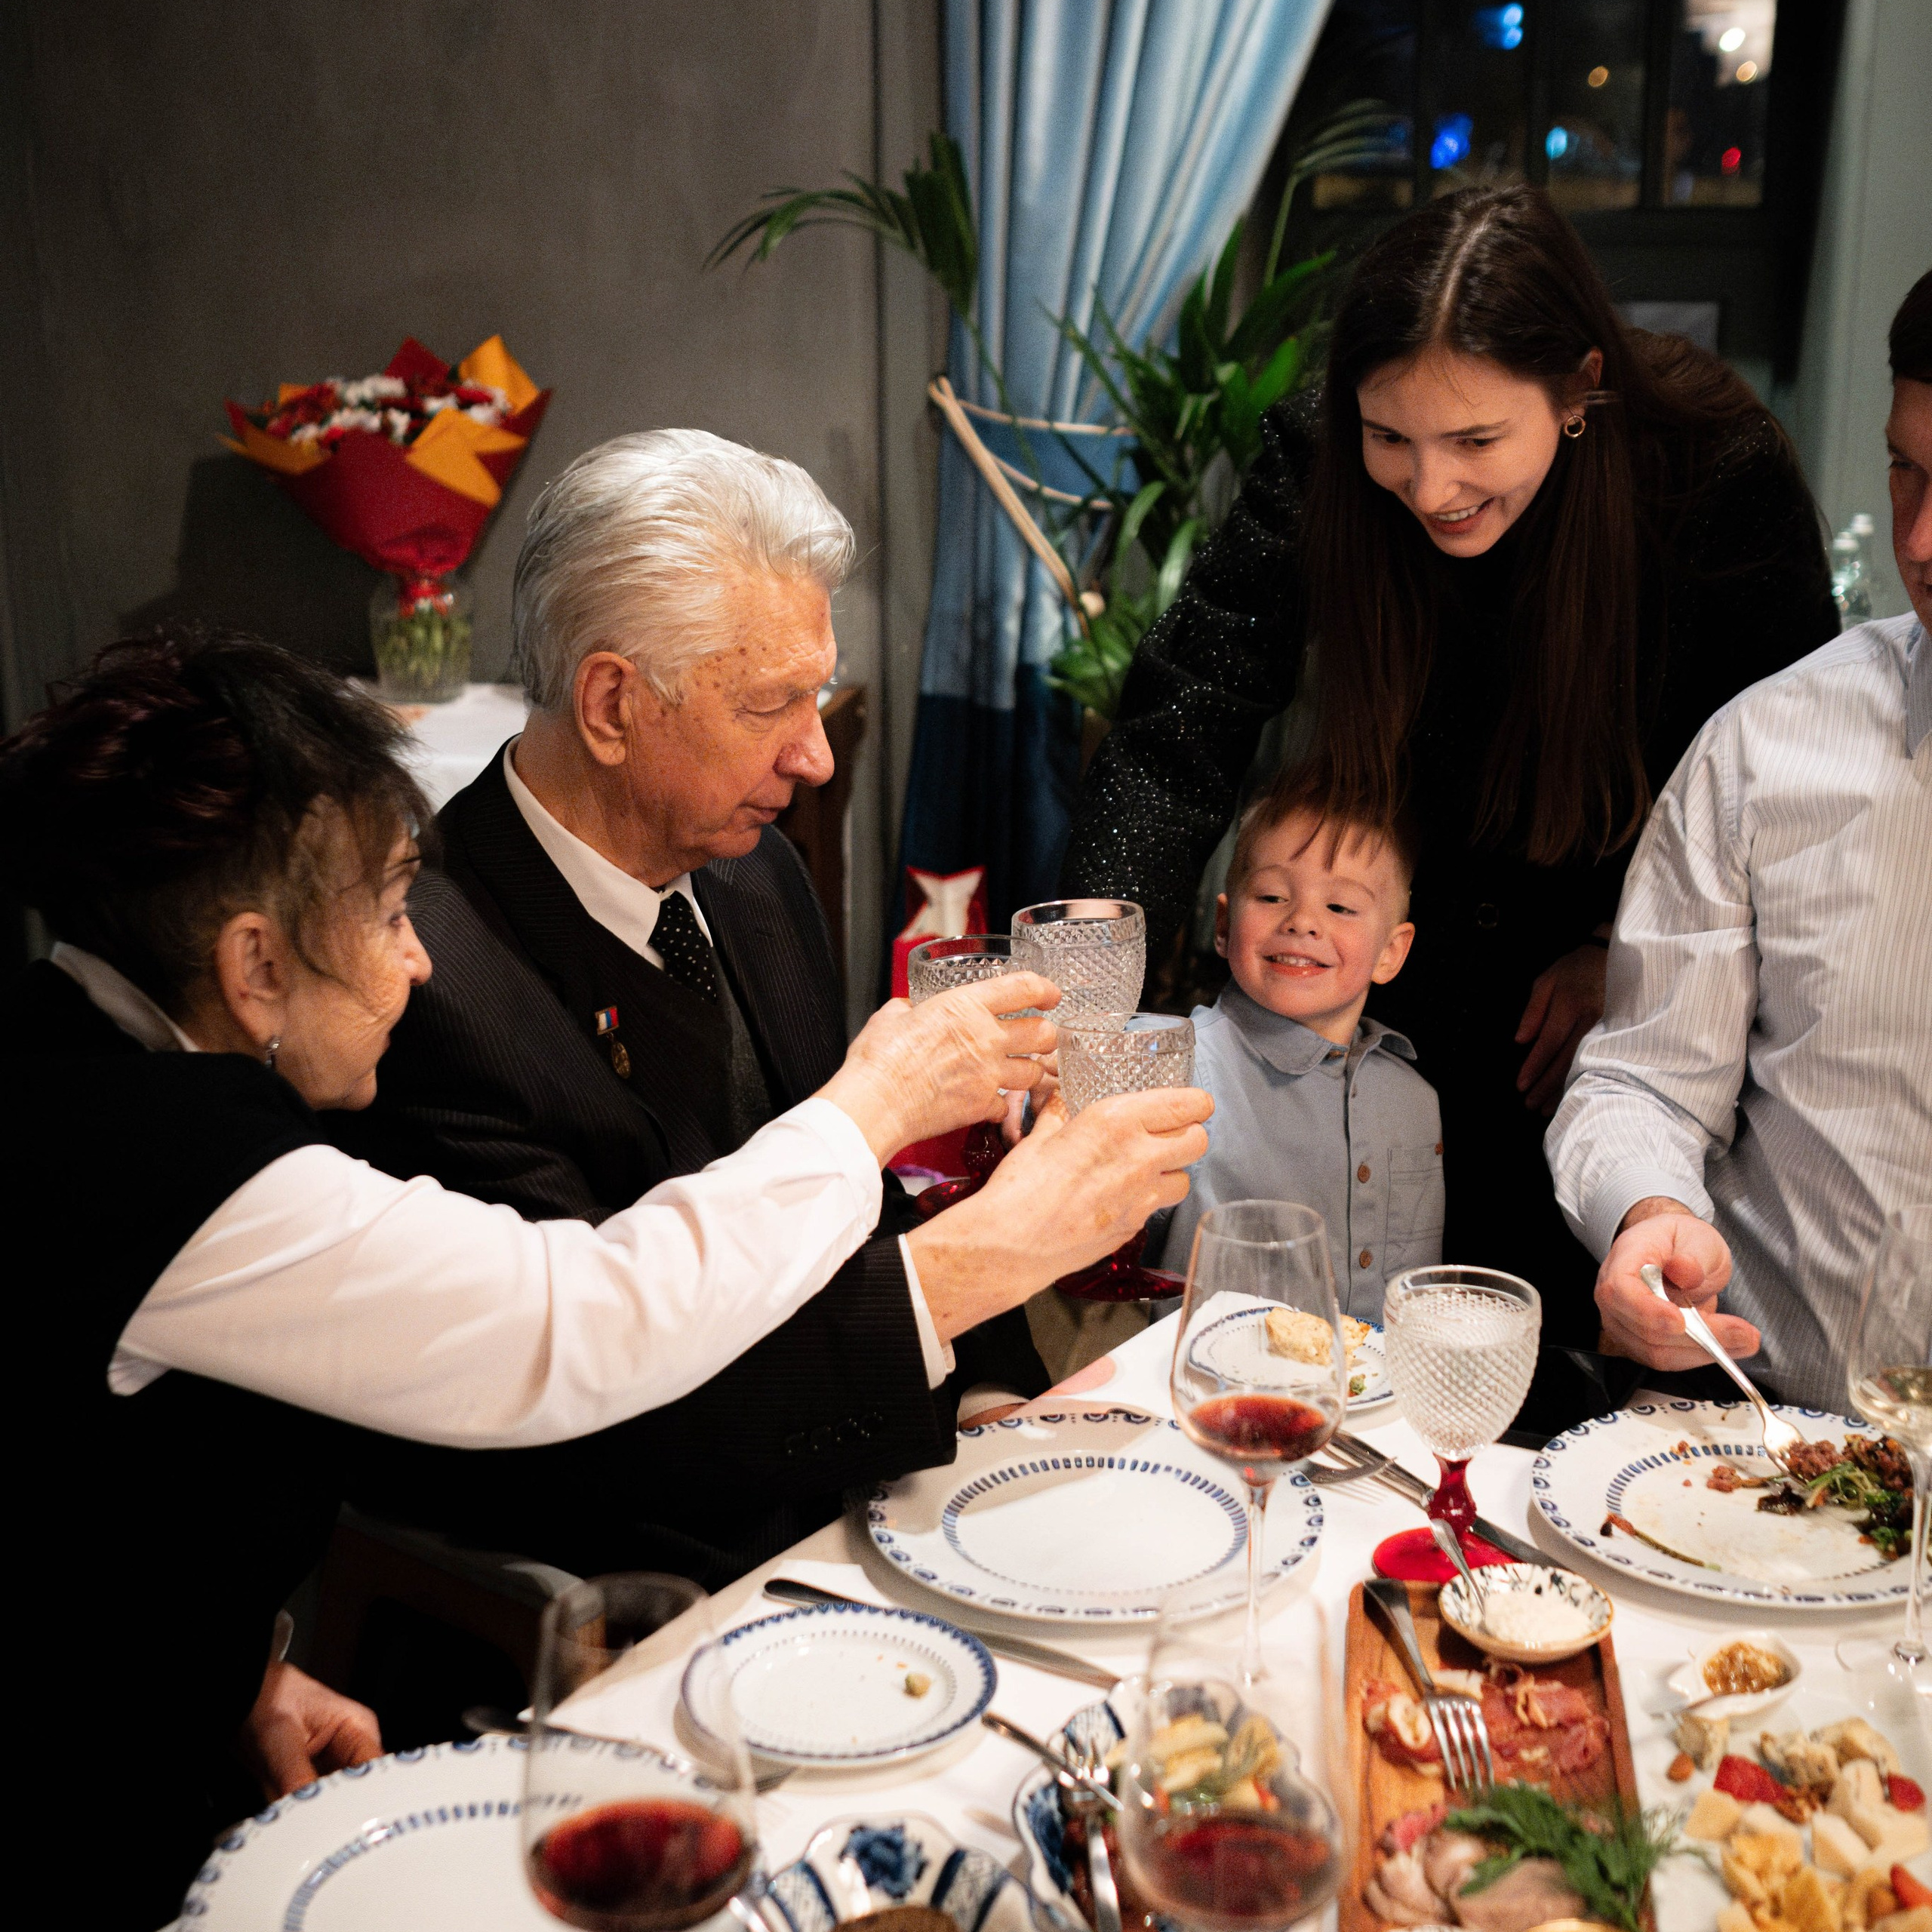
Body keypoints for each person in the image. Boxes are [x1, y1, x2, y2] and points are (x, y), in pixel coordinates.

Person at [0, 627, 1211, 1927]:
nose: (417, 958)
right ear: (254, 967)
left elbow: (98, 1482)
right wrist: (876, 1110)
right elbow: (580, 1319)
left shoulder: (94, 1056)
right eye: (391, 912)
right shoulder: (161, 1159)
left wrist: (237, 1666)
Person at [1060, 186, 1837, 1339]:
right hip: (1400, 952)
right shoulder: (1321, 451)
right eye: (1392, 440)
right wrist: (1086, 986)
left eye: (1476, 442)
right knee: (1346, 1324)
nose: (1431, 488)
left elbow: (1782, 758)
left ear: (1578, 388)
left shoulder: (1710, 467)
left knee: (1552, 1325)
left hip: (1602, 990)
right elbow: (1189, 712)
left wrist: (1623, 942)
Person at [328, 430, 1094, 1581]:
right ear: (610, 703)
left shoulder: (754, 869)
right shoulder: (425, 981)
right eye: (771, 704)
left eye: (817, 694)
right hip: (645, 1584)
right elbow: (600, 1419)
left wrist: (990, 1393)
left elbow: (851, 1201)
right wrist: (986, 1259)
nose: (817, 757)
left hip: (867, 1480)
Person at [1546, 271, 1932, 1410]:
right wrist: (1649, 1211)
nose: (1920, 539)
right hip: (1753, 1445)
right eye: (1905, 468)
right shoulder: (1768, 744)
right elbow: (1646, 1080)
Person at [1149, 760, 1442, 1315]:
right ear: (1223, 925)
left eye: (1340, 906)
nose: (1303, 921)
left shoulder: (1415, 1100)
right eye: (1271, 897)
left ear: (1391, 952)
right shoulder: (1176, 1065)